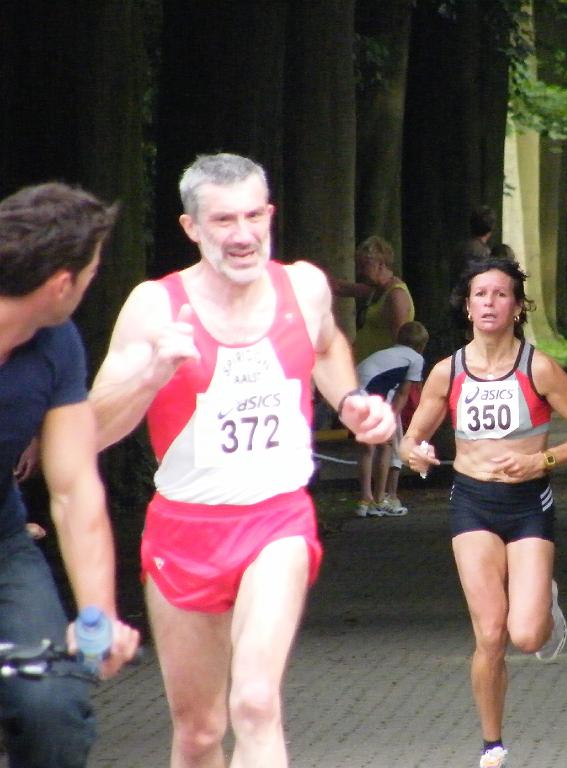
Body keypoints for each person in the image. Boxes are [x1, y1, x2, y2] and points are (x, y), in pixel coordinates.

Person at [88, 153, 395, 767]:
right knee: (199, 733)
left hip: (276, 520)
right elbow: (89, 432)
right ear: (191, 227)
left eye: (254, 216)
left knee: (255, 702)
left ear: (270, 214)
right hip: (184, 528)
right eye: (224, 220)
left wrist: (351, 400)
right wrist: (150, 377)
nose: (243, 234)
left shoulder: (303, 287)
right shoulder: (155, 306)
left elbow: (326, 347)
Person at [400, 255, 567, 768]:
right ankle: (492, 745)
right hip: (472, 505)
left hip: (528, 506)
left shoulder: (538, 368)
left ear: (517, 307)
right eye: (480, 294)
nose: (490, 303)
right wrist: (415, 454)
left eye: (500, 294)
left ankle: (542, 600)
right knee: (490, 634)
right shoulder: (448, 372)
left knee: (527, 635)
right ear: (467, 307)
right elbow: (411, 438)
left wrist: (543, 460)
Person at [0, 182, 140, 767]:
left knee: (53, 709)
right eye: (92, 273)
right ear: (62, 283)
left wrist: (96, 617)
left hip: (4, 546)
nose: (92, 284)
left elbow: (74, 486)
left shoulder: (57, 343)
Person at [354, 320, 429, 517]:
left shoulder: (387, 353)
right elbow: (403, 393)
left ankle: (365, 499)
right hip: (371, 393)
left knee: (367, 447)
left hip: (353, 390)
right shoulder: (416, 359)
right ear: (422, 346)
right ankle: (379, 499)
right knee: (385, 445)